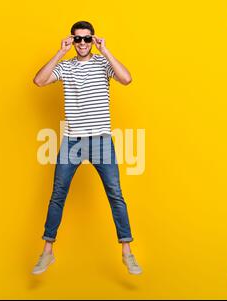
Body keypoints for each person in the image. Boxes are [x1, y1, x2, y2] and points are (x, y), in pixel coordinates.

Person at [32, 21, 142, 275]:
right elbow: (39, 81)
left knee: (115, 193)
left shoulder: (103, 64)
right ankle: (47, 253)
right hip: (72, 141)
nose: (82, 43)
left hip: (101, 140)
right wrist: (60, 52)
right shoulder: (66, 67)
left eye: (87, 39)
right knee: (58, 194)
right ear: (72, 40)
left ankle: (128, 253)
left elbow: (126, 79)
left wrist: (107, 51)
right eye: (78, 39)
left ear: (93, 40)